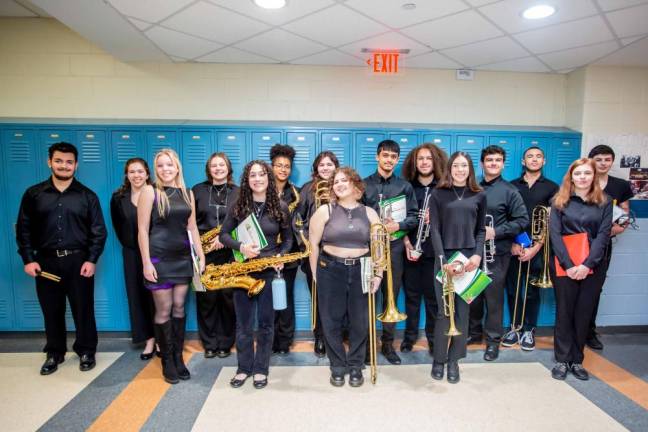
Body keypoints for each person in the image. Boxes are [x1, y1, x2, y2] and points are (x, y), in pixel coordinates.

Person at [16, 142, 107, 375]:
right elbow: (23, 229)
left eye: (69, 162)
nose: (64, 165)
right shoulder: (33, 194)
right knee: (51, 309)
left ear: (76, 165)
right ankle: (54, 353)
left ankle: (86, 350)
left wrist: (91, 259)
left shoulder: (88, 196)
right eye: (59, 161)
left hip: (78, 262)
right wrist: (28, 259)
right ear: (50, 162)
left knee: (83, 308)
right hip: (45, 263)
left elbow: (98, 231)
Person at [220, 160, 293, 390]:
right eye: (253, 175)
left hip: (269, 272)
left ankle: (261, 369)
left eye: (262, 174)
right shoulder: (238, 205)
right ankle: (243, 368)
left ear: (269, 179)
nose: (258, 179)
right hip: (244, 271)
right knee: (243, 324)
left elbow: (289, 239)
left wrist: (281, 255)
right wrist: (241, 247)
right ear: (247, 179)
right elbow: (224, 235)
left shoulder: (280, 207)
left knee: (265, 324)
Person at [309, 167, 381, 387]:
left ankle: (356, 365)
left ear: (355, 185)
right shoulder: (324, 211)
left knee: (360, 321)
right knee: (331, 320)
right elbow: (312, 245)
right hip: (330, 269)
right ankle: (338, 366)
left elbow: (377, 248)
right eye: (335, 182)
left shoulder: (370, 213)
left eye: (344, 180)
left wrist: (378, 274)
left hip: (362, 268)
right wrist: (315, 275)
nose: (339, 184)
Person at [138, 149, 205, 384]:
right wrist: (146, 262)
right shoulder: (150, 192)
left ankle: (178, 358)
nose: (165, 170)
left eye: (170, 165)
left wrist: (200, 254)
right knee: (164, 309)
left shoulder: (187, 193)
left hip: (182, 258)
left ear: (177, 167)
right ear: (155, 170)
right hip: (159, 259)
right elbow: (142, 230)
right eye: (161, 166)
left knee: (179, 307)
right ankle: (167, 360)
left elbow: (193, 227)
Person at [550, 158, 612, 381]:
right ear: (571, 177)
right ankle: (561, 360)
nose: (583, 177)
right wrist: (569, 265)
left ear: (593, 176)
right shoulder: (559, 201)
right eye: (578, 174)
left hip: (592, 266)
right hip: (564, 264)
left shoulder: (605, 202)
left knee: (583, 312)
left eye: (587, 173)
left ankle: (576, 360)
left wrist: (587, 265)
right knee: (565, 311)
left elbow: (603, 236)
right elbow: (554, 236)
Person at [428, 152, 486, 383]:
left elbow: (481, 229)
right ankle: (439, 359)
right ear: (449, 168)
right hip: (445, 258)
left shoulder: (479, 195)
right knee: (444, 313)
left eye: (465, 166)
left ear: (470, 169)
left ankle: (454, 361)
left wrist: (478, 256)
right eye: (456, 166)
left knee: (462, 314)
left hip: (469, 259)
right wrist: (443, 260)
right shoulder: (438, 194)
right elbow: (435, 230)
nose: (460, 169)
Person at [468, 145, 528, 362]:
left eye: (498, 160)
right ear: (482, 163)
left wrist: (497, 231)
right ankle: (473, 334)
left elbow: (522, 221)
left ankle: (493, 341)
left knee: (493, 299)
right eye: (489, 160)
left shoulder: (511, 191)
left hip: (497, 253)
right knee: (472, 295)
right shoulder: (471, 186)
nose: (493, 163)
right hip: (472, 251)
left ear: (503, 164)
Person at [362, 139, 418, 365]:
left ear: (397, 160)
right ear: (377, 157)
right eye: (385, 155)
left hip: (394, 249)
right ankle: (367, 348)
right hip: (368, 251)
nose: (389, 160)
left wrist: (399, 226)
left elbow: (413, 217)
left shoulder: (405, 187)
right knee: (367, 299)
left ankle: (387, 345)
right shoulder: (363, 185)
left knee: (390, 298)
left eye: (393, 157)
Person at [502, 147, 559, 351]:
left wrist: (536, 247)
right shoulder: (511, 185)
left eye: (538, 157)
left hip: (538, 248)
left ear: (544, 161)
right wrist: (512, 245)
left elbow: (552, 221)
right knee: (513, 289)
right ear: (523, 161)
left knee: (533, 290)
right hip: (514, 246)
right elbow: (504, 217)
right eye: (530, 156)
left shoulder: (552, 187)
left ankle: (529, 329)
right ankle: (514, 327)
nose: (534, 159)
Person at [400, 143, 447, 355]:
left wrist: (436, 217)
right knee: (411, 297)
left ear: (435, 161)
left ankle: (432, 338)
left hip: (433, 252)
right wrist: (408, 244)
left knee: (432, 298)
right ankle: (409, 337)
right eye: (420, 159)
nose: (425, 162)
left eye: (428, 158)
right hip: (409, 249)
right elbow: (398, 220)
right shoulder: (406, 187)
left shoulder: (444, 188)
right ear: (414, 162)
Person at [586, 145, 634, 350]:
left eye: (607, 159)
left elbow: (624, 216)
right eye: (599, 159)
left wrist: (613, 229)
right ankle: (573, 329)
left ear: (612, 162)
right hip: (579, 243)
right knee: (574, 290)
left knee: (595, 289)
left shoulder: (620, 185)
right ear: (591, 161)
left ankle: (589, 331)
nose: (603, 163)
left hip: (603, 245)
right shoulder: (583, 181)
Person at [192, 153, 239, 359]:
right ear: (208, 169)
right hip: (204, 252)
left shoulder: (239, 192)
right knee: (206, 299)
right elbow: (190, 223)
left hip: (230, 252)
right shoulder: (197, 190)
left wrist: (226, 238)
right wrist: (202, 246)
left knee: (228, 299)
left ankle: (226, 343)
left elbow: (247, 222)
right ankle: (209, 343)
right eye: (214, 165)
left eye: (222, 165)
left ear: (228, 168)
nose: (218, 168)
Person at [110, 158, 156, 360]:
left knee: (158, 297)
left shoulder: (158, 193)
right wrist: (132, 246)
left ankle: (161, 338)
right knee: (137, 296)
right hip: (131, 253)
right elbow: (118, 227)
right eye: (132, 172)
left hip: (156, 253)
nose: (136, 175)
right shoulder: (118, 198)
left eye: (140, 171)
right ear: (127, 175)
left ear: (147, 173)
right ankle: (148, 340)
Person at [297, 151, 340, 357]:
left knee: (339, 297)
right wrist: (307, 241)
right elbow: (298, 220)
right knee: (319, 297)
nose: (325, 168)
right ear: (316, 168)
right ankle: (320, 337)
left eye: (329, 164)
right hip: (314, 251)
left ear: (336, 167)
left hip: (339, 252)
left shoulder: (343, 186)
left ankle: (337, 336)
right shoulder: (307, 189)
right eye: (321, 165)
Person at [270, 144, 301, 355]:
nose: (283, 169)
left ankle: (285, 341)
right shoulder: (262, 189)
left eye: (287, 166)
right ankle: (269, 339)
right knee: (267, 299)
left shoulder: (295, 194)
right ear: (272, 167)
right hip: (265, 253)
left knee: (286, 297)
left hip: (288, 253)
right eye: (279, 165)